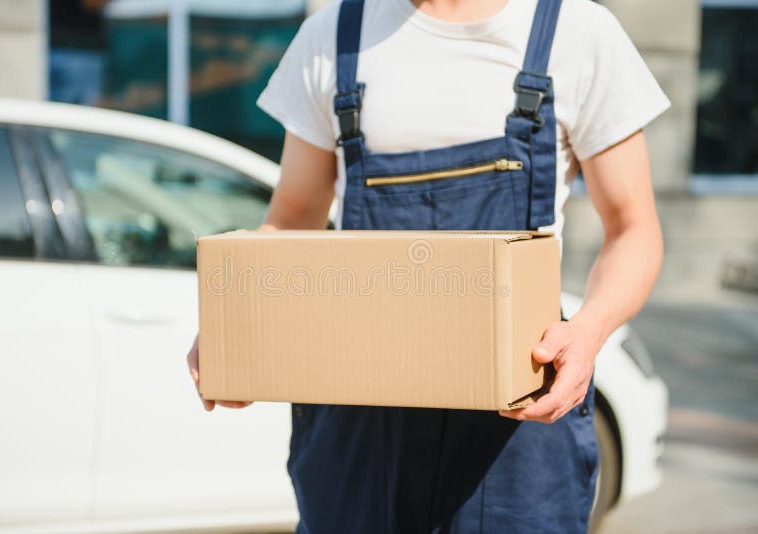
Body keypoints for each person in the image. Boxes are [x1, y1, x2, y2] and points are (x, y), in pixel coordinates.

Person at [187, 0, 668, 532]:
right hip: (358, 421)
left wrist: (589, 331)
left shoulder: (576, 33)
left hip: (514, 431)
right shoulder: (332, 36)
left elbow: (634, 231)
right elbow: (293, 219)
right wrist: (238, 321)